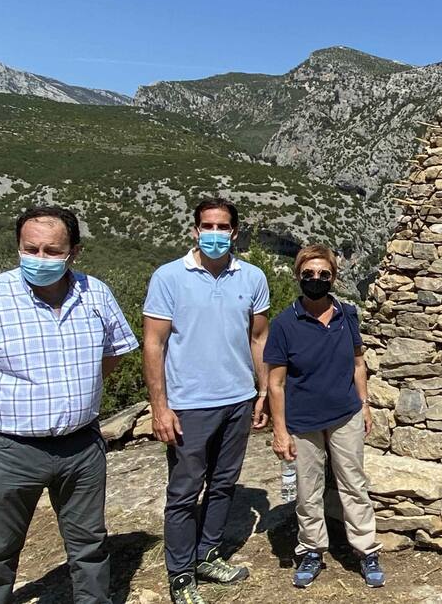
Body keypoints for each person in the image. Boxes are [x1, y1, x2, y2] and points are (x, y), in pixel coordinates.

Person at [0, 206, 138, 604]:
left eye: (52, 251)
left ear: (74, 252)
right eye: (30, 249)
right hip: (10, 450)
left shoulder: (96, 293)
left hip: (81, 447)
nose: (39, 258)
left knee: (89, 545)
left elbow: (114, 351)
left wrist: (80, 390)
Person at [142, 198, 271, 604]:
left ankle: (207, 554)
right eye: (208, 226)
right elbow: (154, 344)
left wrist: (263, 392)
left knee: (223, 483)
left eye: (223, 227)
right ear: (195, 230)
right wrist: (160, 407)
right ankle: (180, 574)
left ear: (235, 232)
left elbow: (259, 338)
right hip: (188, 404)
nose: (215, 234)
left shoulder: (252, 277)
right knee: (184, 490)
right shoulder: (168, 277)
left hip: (239, 399)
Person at [264, 244, 384, 589]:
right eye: (309, 274)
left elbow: (358, 363)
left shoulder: (347, 314)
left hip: (345, 413)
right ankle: (312, 549)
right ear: (298, 276)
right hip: (303, 421)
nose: (315, 279)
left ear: (333, 278)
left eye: (323, 274)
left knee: (354, 483)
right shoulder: (284, 324)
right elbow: (276, 383)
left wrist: (364, 404)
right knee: (307, 489)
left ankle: (366, 549)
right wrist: (280, 431)